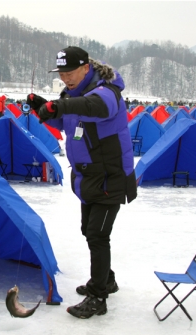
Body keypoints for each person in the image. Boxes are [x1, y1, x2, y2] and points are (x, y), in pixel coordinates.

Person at [27, 46, 137, 319]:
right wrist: (44, 108)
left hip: (110, 176)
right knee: (89, 230)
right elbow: (66, 125)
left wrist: (61, 105)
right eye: (62, 73)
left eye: (70, 72)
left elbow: (95, 108)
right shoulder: (72, 95)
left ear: (86, 68)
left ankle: (98, 296)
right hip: (89, 177)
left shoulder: (107, 91)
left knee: (98, 235)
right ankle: (106, 280)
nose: (66, 78)